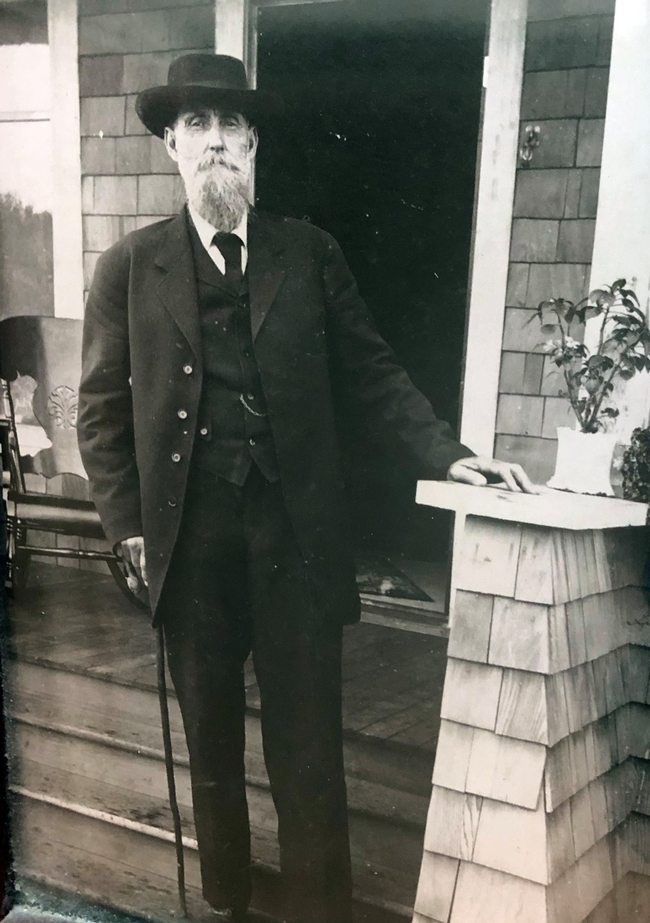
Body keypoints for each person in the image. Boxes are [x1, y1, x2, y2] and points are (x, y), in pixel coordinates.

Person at [77, 53, 535, 923]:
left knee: (308, 749)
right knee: (210, 741)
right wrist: (128, 526)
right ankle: (227, 899)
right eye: (198, 128)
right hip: (190, 539)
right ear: (172, 145)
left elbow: (371, 373)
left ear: (254, 146)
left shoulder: (309, 253)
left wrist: (448, 453)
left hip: (294, 537)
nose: (217, 144)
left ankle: (319, 906)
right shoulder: (129, 269)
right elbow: (100, 411)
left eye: (233, 128)